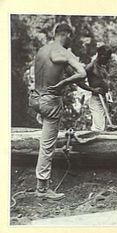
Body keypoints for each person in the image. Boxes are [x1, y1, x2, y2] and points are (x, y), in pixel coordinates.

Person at [32, 23, 87, 200]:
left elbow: (46, 72)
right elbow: (81, 73)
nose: (70, 40)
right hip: (50, 100)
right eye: (69, 36)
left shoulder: (42, 50)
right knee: (47, 146)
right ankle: (42, 189)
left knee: (44, 138)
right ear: (65, 34)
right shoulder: (63, 52)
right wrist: (64, 83)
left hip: (35, 98)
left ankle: (40, 183)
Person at [84, 45, 116, 131]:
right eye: (107, 58)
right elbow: (79, 81)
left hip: (103, 98)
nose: (108, 60)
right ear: (102, 56)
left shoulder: (102, 66)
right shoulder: (90, 67)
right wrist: (92, 89)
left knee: (102, 126)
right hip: (96, 99)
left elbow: (104, 81)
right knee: (99, 127)